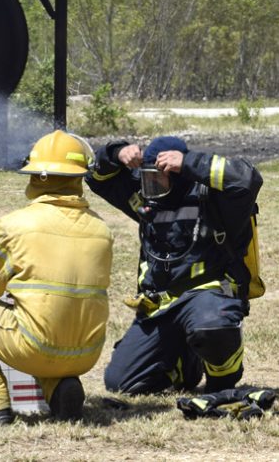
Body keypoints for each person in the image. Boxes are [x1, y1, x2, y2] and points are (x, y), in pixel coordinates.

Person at [0, 130, 113, 422]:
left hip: (36, 347)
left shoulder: (17, 225)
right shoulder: (102, 230)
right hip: (87, 353)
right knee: (44, 321)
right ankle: (60, 388)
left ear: (38, 177)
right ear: (78, 178)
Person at [86, 136, 263, 395]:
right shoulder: (147, 196)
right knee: (121, 383)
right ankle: (184, 367)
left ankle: (223, 375)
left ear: (177, 174)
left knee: (211, 326)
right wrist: (117, 153)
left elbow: (248, 179)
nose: (149, 187)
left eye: (157, 178)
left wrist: (189, 162)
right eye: (146, 179)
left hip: (208, 295)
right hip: (161, 305)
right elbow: (96, 178)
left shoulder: (213, 197)